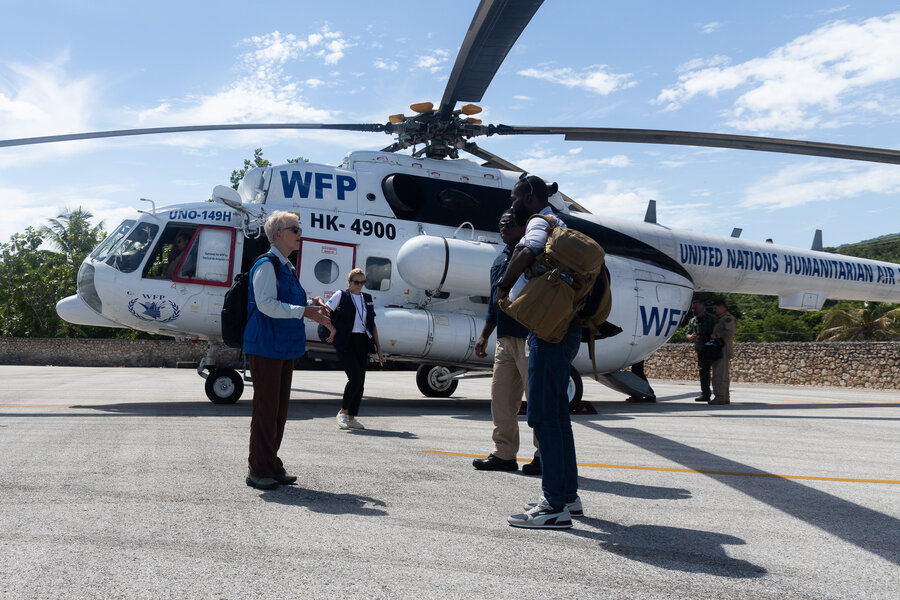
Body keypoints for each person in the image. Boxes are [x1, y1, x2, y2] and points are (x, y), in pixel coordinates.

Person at [499, 175, 583, 530]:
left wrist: (502, 287)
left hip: (549, 331)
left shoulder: (539, 222)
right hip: (564, 328)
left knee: (543, 416)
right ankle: (567, 496)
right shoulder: (559, 224)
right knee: (557, 417)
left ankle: (553, 507)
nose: (512, 203)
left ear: (529, 196)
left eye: (516, 196)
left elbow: (527, 250)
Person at [243, 211, 331, 490]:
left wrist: (309, 301)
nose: (299, 234)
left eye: (299, 229)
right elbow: (266, 304)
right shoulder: (267, 265)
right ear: (277, 234)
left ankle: (271, 463)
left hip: (282, 347)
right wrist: (304, 311)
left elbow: (285, 300)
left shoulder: (286, 266)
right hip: (266, 345)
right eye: (294, 229)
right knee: (266, 410)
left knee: (278, 410)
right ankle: (258, 469)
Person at [473, 210, 540, 475]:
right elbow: (494, 301)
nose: (503, 227)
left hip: (528, 337)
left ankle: (544, 455)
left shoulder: (533, 256)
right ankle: (504, 454)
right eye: (501, 223)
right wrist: (485, 334)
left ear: (523, 227)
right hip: (504, 339)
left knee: (536, 401)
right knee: (501, 400)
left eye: (509, 224)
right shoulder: (500, 259)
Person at [325, 268, 385, 430]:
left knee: (361, 382)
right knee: (355, 378)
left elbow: (372, 325)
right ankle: (342, 412)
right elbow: (324, 313)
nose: (360, 285)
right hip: (345, 341)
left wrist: (379, 349)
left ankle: (352, 417)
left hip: (362, 341)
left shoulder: (367, 298)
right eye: (356, 282)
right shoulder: (341, 296)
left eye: (363, 282)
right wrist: (332, 330)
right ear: (349, 282)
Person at [685, 300, 718, 402]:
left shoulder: (713, 319)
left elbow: (720, 332)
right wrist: (691, 337)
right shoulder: (693, 321)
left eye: (696, 309)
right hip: (701, 351)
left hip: (713, 349)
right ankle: (705, 394)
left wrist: (714, 336)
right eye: (693, 309)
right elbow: (687, 334)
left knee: (717, 373)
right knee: (703, 373)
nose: (694, 310)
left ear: (703, 308)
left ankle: (720, 395)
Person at [709, 300, 737, 404]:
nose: (714, 310)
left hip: (723, 348)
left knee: (719, 374)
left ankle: (720, 397)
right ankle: (724, 397)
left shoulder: (727, 319)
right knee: (721, 374)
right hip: (719, 348)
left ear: (722, 307)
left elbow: (730, 332)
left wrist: (716, 335)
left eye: (715, 308)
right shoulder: (720, 319)